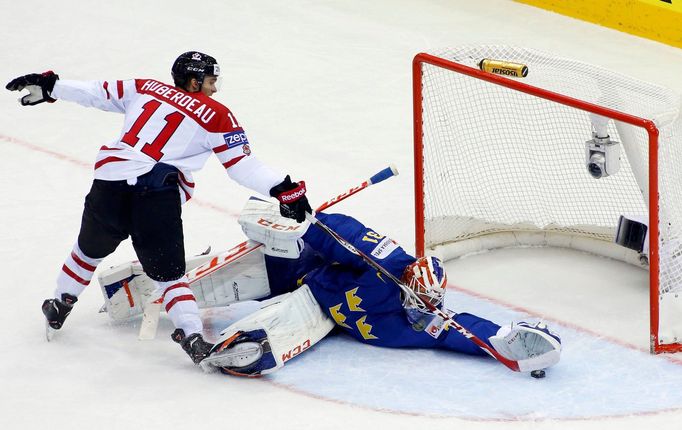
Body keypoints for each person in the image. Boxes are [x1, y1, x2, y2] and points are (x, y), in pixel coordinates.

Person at [5, 51, 312, 362]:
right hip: (155, 193)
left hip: (110, 182)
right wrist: (285, 190)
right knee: (169, 276)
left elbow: (95, 92)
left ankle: (59, 303)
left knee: (88, 250)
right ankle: (191, 337)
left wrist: (51, 87)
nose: (214, 89)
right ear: (194, 82)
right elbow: (242, 166)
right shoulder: (218, 115)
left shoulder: (145, 88)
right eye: (209, 82)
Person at [195, 199, 562, 376]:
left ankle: (243, 346)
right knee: (206, 286)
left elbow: (457, 329)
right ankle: (173, 288)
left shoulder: (419, 320)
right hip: (299, 270)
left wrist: (501, 338)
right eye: (419, 300)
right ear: (408, 283)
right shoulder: (385, 261)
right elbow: (345, 235)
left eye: (428, 303)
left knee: (277, 332)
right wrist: (307, 224)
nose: (422, 310)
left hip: (319, 313)